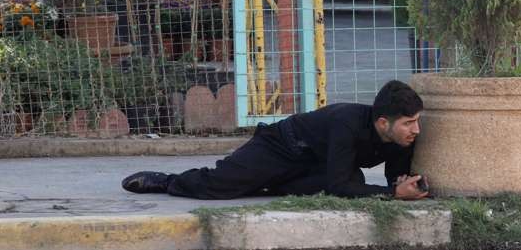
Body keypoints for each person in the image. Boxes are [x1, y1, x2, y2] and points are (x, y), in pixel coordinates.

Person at [122, 80, 428, 200]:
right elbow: (340, 186)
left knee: (354, 178)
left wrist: (403, 183)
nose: (415, 130)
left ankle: (273, 185)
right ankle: (166, 181)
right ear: (383, 122)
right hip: (282, 145)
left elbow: (393, 175)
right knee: (220, 187)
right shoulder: (346, 123)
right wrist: (393, 193)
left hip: (314, 164)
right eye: (408, 123)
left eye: (417, 122)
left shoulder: (403, 138)